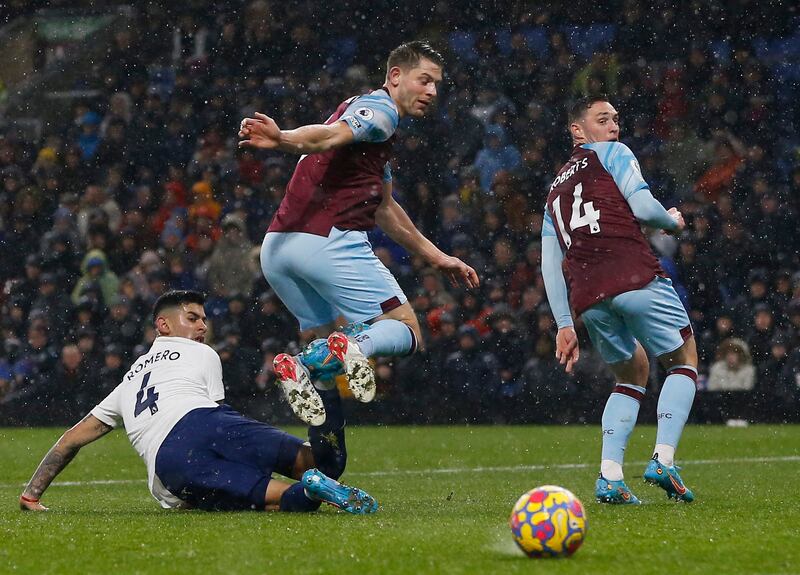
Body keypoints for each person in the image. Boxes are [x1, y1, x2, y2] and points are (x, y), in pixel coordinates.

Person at [239, 41, 478, 425]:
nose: (432, 91)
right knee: (405, 330)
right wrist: (282, 138)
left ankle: (323, 445)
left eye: (437, 84)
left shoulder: (370, 130)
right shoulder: (380, 112)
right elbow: (329, 136)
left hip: (277, 248)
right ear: (395, 76)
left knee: (325, 356)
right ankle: (335, 352)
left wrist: (438, 257)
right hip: (327, 242)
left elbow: (385, 207)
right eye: (425, 80)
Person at [19, 290, 377, 514]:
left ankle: (311, 493)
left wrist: (32, 493)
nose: (202, 327)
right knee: (325, 464)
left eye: (204, 320)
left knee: (281, 499)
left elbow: (70, 439)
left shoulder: (128, 382)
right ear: (163, 324)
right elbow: (216, 415)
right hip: (210, 421)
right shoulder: (202, 354)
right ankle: (326, 383)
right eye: (192, 318)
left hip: (171, 460)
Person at [541, 97, 697, 504]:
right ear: (578, 131)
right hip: (634, 275)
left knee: (631, 375)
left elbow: (549, 262)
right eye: (603, 119)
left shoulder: (554, 191)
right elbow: (644, 208)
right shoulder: (613, 153)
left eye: (616, 120)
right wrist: (673, 221)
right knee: (683, 361)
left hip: (590, 297)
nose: (614, 127)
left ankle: (610, 476)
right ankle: (664, 458)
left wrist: (563, 324)